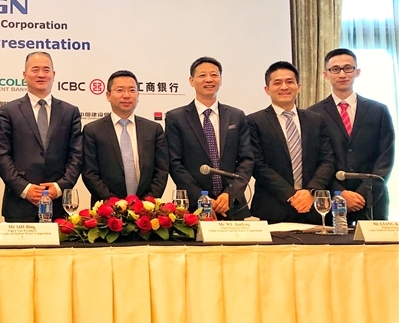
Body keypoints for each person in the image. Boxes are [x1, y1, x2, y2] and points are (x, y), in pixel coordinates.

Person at [0, 51, 82, 222]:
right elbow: (2, 154)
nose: (41, 74)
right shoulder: (9, 111)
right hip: (19, 205)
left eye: (46, 70)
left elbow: (77, 155)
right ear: (24, 75)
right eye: (35, 70)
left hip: (59, 205)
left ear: (53, 74)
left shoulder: (70, 112)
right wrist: (24, 188)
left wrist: (59, 187)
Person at [308, 48, 394, 221]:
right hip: (331, 201)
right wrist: (340, 193)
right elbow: (313, 160)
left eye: (348, 68)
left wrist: (363, 194)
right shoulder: (313, 114)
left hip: (372, 201)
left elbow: (385, 158)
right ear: (325, 74)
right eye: (335, 69)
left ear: (357, 72)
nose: (342, 74)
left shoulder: (378, 111)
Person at [165, 57, 254, 220]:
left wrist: (230, 194)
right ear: (191, 81)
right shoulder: (176, 118)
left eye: (214, 75)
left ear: (221, 79)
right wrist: (202, 198)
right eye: (202, 75)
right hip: (194, 207)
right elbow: (174, 163)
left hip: (232, 206)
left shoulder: (236, 115)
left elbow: (247, 160)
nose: (209, 79)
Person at [247, 61, 335, 224]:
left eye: (289, 82)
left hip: (313, 206)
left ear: (298, 87)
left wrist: (310, 191)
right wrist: (291, 195)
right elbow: (257, 165)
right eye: (277, 83)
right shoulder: (254, 121)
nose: (284, 87)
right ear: (267, 89)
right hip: (273, 208)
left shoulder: (316, 120)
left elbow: (327, 160)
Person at [82, 70, 168, 205]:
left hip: (146, 210)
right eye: (120, 90)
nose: (126, 95)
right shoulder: (93, 130)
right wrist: (114, 204)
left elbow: (161, 171)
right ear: (108, 95)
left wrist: (146, 203)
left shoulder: (153, 129)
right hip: (106, 209)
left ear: (138, 95)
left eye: (132, 90)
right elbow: (90, 173)